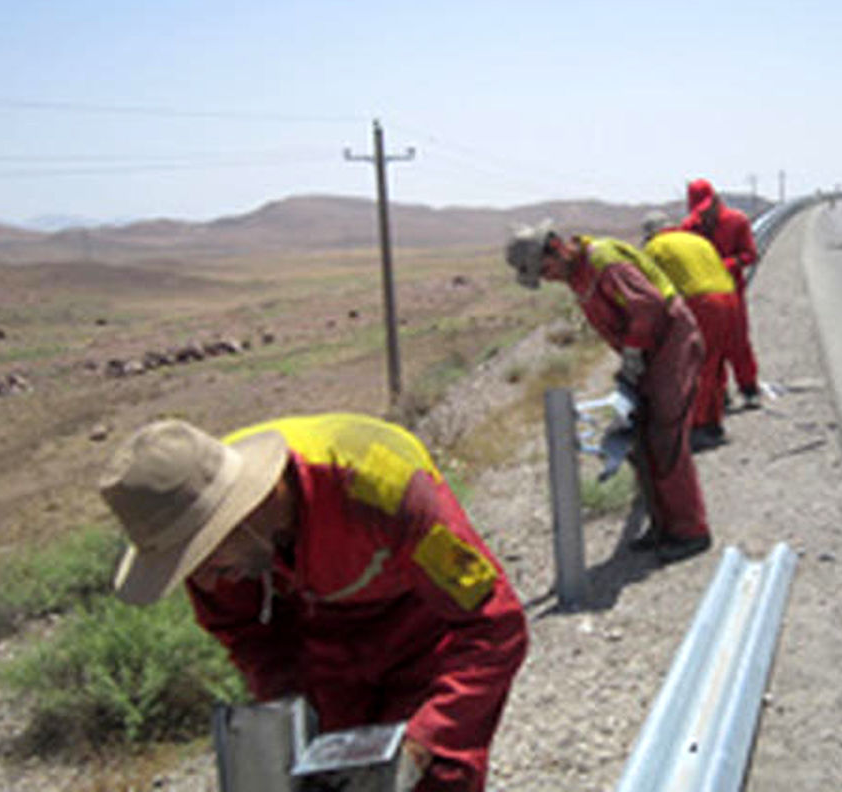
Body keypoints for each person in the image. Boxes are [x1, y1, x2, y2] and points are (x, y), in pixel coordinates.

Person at [99, 413, 528, 792]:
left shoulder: (381, 484)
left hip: (423, 631)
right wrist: (292, 715)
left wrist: (423, 742)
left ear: (236, 515)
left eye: (203, 557)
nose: (206, 580)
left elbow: (494, 626)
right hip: (318, 650)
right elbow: (248, 638)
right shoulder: (198, 535)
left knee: (433, 780)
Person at [505, 222, 711, 562]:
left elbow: (648, 307)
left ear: (557, 247)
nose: (549, 279)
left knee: (665, 438)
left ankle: (691, 532)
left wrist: (633, 352)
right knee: (640, 437)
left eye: (545, 270)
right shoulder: (578, 273)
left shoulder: (603, 260)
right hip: (649, 350)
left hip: (670, 341)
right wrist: (632, 357)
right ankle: (664, 526)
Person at [641, 212, 738, 451]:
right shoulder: (698, 240)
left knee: (694, 365)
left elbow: (650, 289)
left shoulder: (655, 247)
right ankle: (714, 424)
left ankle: (697, 428)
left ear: (651, 234)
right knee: (715, 365)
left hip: (701, 302)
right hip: (729, 299)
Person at [681, 178, 762, 409]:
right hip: (703, 297)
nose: (703, 216)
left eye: (706, 210)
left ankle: (749, 389)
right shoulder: (689, 228)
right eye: (699, 212)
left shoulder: (737, 221)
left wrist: (724, 265)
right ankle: (719, 393)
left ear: (716, 201)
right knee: (709, 347)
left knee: (738, 343)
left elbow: (749, 254)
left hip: (732, 293)